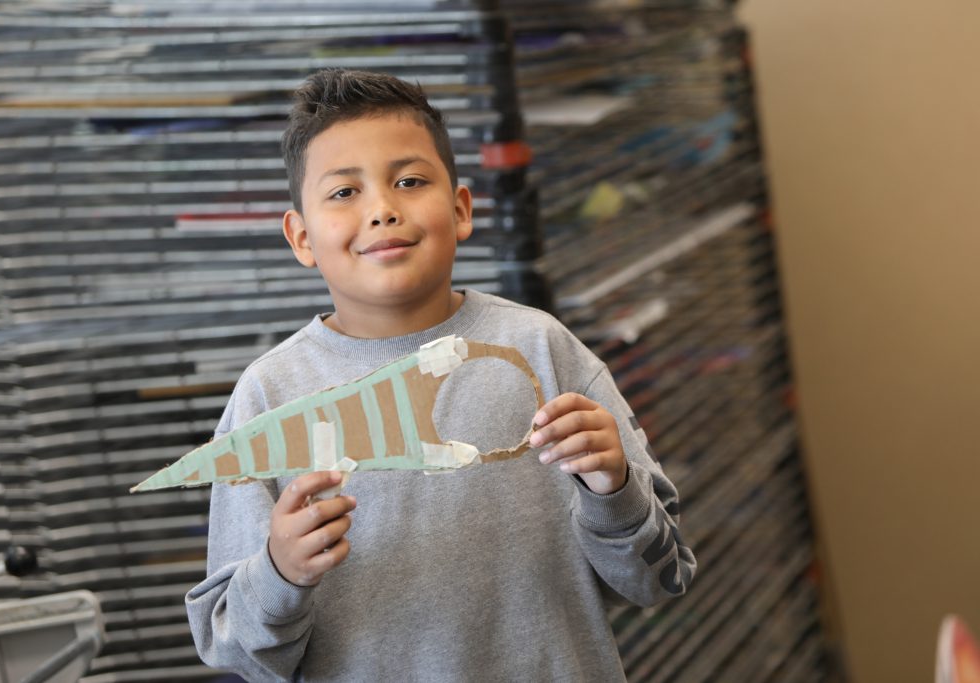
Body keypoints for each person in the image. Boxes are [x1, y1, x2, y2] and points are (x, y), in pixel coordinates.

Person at [185, 68, 696, 682]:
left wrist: (612, 491)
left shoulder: (542, 349)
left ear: (459, 209)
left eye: (409, 181)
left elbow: (661, 578)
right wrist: (280, 570)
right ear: (302, 238)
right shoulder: (267, 399)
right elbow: (232, 648)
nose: (381, 209)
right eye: (344, 193)